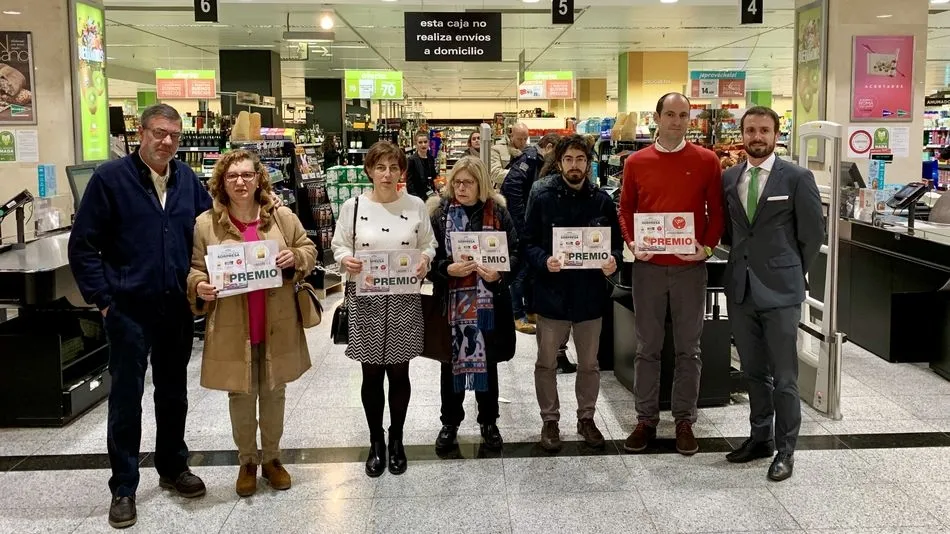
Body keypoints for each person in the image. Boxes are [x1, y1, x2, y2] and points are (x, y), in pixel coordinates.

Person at [68, 103, 211, 529]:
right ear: (141, 135)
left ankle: (173, 467)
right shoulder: (110, 180)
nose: (166, 141)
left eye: (174, 135)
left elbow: (209, 228)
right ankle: (124, 487)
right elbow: (83, 246)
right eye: (158, 133)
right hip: (128, 309)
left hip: (176, 307)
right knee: (127, 398)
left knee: (172, 393)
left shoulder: (187, 181)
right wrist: (104, 299)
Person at [187, 149, 317, 497]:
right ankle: (247, 461)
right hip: (233, 325)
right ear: (222, 183)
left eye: (247, 174)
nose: (241, 182)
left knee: (274, 393)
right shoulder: (206, 224)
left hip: (277, 321)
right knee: (240, 395)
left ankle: (272, 459)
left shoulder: (282, 217)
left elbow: (308, 249)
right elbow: (196, 269)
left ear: (259, 178)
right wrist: (199, 286)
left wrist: (296, 257)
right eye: (233, 176)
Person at [618, 92, 725, 456]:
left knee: (689, 349)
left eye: (683, 115)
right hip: (648, 267)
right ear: (657, 117)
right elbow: (625, 210)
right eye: (670, 114)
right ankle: (646, 419)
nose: (677, 121)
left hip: (689, 269)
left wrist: (706, 247)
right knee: (647, 347)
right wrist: (632, 243)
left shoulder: (707, 161)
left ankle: (684, 420)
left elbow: (718, 213)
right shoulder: (636, 162)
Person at [721, 106, 824, 482]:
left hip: (781, 290)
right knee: (753, 372)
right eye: (750, 130)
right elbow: (730, 233)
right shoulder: (730, 177)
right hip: (741, 290)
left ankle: (786, 449)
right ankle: (759, 437)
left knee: (785, 376)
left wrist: (791, 271)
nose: (757, 137)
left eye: (764, 130)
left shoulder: (797, 178)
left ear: (777, 135)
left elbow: (812, 237)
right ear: (742, 133)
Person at [331, 141, 438, 477]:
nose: (387, 174)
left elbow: (428, 243)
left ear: (402, 171)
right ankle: (376, 440)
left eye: (394, 167)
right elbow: (338, 245)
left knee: (400, 372)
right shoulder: (353, 205)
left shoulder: (416, 204)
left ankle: (397, 439)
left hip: (405, 297)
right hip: (367, 298)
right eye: (381, 167)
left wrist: (425, 260)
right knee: (371, 373)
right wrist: (344, 259)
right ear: (370, 171)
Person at [523, 134, 623, 452]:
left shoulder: (602, 201)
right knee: (546, 362)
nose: (575, 166)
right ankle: (550, 421)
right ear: (560, 162)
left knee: (589, 364)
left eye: (581, 159)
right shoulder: (541, 195)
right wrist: (544, 260)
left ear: (589, 163)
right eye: (569, 159)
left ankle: (586, 419)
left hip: (589, 297)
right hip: (551, 294)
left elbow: (616, 246)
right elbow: (527, 242)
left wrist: (613, 262)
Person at [426, 156, 518, 453]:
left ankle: (489, 421)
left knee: (487, 364)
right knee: (450, 364)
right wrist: (445, 269)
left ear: (482, 185)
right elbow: (426, 259)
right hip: (452, 305)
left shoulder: (499, 214)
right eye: (456, 182)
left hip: (488, 304)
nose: (461, 188)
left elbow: (515, 253)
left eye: (468, 182)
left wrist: (500, 273)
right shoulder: (439, 214)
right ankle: (450, 422)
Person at [501, 132, 558, 336]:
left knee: (530, 269)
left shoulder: (535, 159)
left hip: (528, 223)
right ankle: (518, 315)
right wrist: (521, 217)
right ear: (549, 147)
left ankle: (529, 309)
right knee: (520, 270)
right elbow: (512, 186)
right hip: (520, 224)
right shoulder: (529, 159)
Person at [490, 122, 529, 189]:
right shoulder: (497, 149)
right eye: (519, 139)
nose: (523, 142)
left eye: (525, 139)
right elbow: (495, 173)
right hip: (503, 192)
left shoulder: (529, 151)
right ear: (511, 137)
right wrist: (519, 174)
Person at [407, 131, 437, 201]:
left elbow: (433, 176)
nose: (423, 144)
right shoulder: (412, 160)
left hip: (430, 195)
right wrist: (416, 199)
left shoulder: (431, 158)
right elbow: (409, 184)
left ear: (429, 143)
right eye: (420, 142)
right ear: (416, 144)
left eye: (425, 142)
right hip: (417, 197)